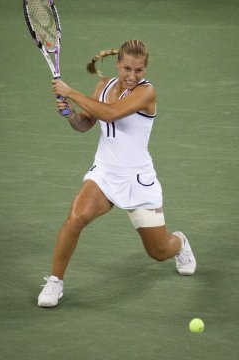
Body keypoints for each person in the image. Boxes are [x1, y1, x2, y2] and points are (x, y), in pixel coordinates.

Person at [38, 39, 196, 307]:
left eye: (139, 71)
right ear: (117, 64)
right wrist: (69, 114)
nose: (132, 76)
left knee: (158, 252)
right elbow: (85, 124)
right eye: (127, 69)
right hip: (105, 174)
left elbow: (110, 114)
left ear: (145, 70)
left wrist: (71, 92)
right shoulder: (103, 86)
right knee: (75, 217)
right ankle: (55, 281)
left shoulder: (146, 93)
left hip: (138, 180)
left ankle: (179, 244)